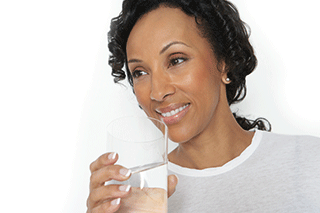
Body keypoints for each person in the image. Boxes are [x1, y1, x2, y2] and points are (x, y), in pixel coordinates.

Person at [87, 0, 320, 212]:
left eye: (176, 60)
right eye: (140, 72)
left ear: (224, 61)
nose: (157, 92)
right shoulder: (135, 197)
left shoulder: (309, 161)